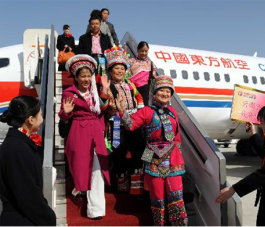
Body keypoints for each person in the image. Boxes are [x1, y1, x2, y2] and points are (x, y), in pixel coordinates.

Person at [115, 75, 188, 226]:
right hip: (152, 155)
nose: (165, 94)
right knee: (157, 196)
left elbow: (177, 136)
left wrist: (178, 154)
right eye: (162, 90)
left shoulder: (173, 111)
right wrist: (122, 112)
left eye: (168, 91)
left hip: (173, 157)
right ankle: (159, 224)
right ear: (154, 93)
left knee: (176, 194)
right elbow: (130, 126)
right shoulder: (146, 111)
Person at [59, 55, 110, 219]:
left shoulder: (96, 90)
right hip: (79, 131)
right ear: (76, 77)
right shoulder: (69, 92)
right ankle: (79, 185)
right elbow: (63, 115)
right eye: (83, 76)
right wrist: (65, 113)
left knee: (97, 168)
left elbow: (103, 108)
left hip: (96, 130)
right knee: (81, 165)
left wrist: (106, 94)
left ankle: (96, 209)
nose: (87, 79)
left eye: (89, 75)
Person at [0, 95, 56, 226]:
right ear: (31, 120)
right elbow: (28, 195)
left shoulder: (18, 144)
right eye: (40, 115)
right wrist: (48, 217)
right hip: (21, 219)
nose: (42, 120)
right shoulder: (17, 149)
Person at [100, 46, 145, 194]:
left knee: (138, 152)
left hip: (134, 122)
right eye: (116, 68)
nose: (119, 71)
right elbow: (104, 107)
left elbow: (138, 97)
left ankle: (137, 188)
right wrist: (105, 92)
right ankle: (122, 185)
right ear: (111, 70)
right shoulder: (107, 86)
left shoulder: (130, 84)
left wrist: (139, 111)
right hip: (116, 124)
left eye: (122, 68)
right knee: (119, 153)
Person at [128, 41, 156, 105]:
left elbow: (153, 77)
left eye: (146, 51)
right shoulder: (131, 61)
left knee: (144, 109)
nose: (144, 53)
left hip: (145, 90)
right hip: (133, 88)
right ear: (137, 50)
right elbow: (127, 75)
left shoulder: (150, 63)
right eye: (142, 51)